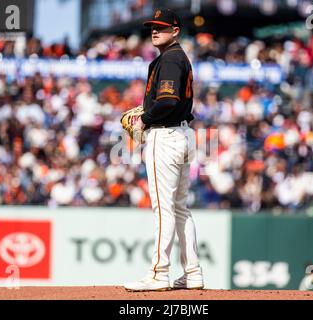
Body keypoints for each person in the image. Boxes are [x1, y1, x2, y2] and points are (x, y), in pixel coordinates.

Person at [124, 8, 204, 291]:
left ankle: (159, 273)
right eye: (152, 27)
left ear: (175, 30)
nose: (155, 31)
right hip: (182, 134)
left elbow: (168, 101)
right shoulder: (176, 57)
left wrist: (144, 119)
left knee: (164, 208)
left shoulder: (170, 59)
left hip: (166, 135)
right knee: (180, 208)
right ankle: (193, 272)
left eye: (162, 26)